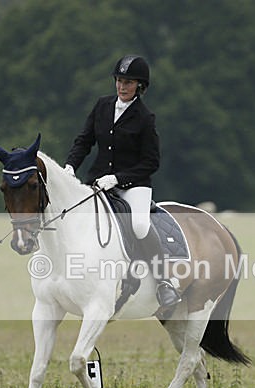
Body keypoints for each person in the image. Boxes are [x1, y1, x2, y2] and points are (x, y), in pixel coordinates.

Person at [64, 54, 181, 310]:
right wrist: (71, 166)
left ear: (140, 86)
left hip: (134, 185)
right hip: (97, 181)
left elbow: (151, 162)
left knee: (139, 225)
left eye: (128, 82)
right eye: (119, 80)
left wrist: (117, 178)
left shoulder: (145, 118)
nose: (122, 86)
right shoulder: (102, 106)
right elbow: (84, 140)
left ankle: (164, 282)